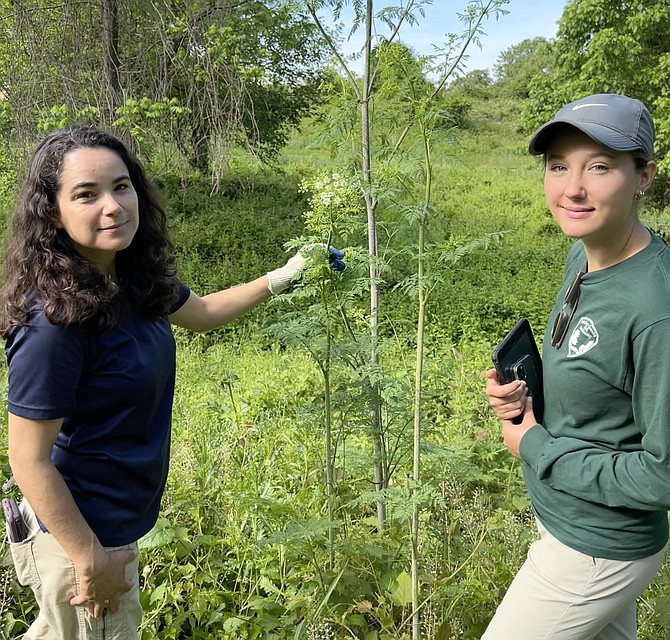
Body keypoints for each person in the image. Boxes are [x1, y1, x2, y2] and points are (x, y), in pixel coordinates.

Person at [0, 124, 343, 639]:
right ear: (52, 211)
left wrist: (284, 275)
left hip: (111, 523)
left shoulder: (129, 279)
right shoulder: (53, 322)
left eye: (121, 186)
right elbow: (27, 458)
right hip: (82, 534)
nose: (112, 206)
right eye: (86, 195)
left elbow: (202, 313)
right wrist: (90, 559)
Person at [483, 93, 668, 639]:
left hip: (596, 548)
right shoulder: (582, 252)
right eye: (559, 165)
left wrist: (535, 446)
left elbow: (664, 473)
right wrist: (524, 401)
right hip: (567, 518)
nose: (573, 188)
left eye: (600, 166)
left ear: (644, 177)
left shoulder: (656, 310)